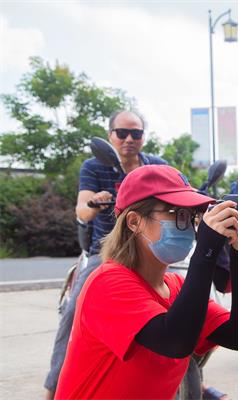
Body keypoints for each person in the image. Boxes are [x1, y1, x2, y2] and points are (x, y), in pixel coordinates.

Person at [54, 164, 238, 399]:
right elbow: (174, 342)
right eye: (176, 213)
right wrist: (205, 252)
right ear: (134, 221)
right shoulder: (107, 283)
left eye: (191, 215)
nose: (189, 226)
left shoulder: (176, 287)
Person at [44, 110, 167, 398]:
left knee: (187, 302)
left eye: (136, 133)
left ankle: (195, 382)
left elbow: (181, 194)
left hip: (152, 250)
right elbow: (81, 210)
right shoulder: (94, 166)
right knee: (74, 312)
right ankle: (52, 388)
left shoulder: (155, 167)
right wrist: (94, 203)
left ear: (143, 137)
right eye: (122, 133)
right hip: (108, 252)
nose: (129, 139)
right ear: (110, 135)